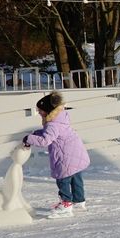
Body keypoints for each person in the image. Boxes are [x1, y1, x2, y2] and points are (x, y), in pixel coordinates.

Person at [23, 91, 90, 219]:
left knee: (63, 179)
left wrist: (28, 138)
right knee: (76, 177)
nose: (39, 113)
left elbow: (45, 140)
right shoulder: (61, 119)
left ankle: (65, 205)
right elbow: (52, 133)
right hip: (75, 152)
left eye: (41, 110)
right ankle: (78, 201)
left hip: (65, 156)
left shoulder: (52, 125)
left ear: (48, 111)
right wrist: (37, 133)